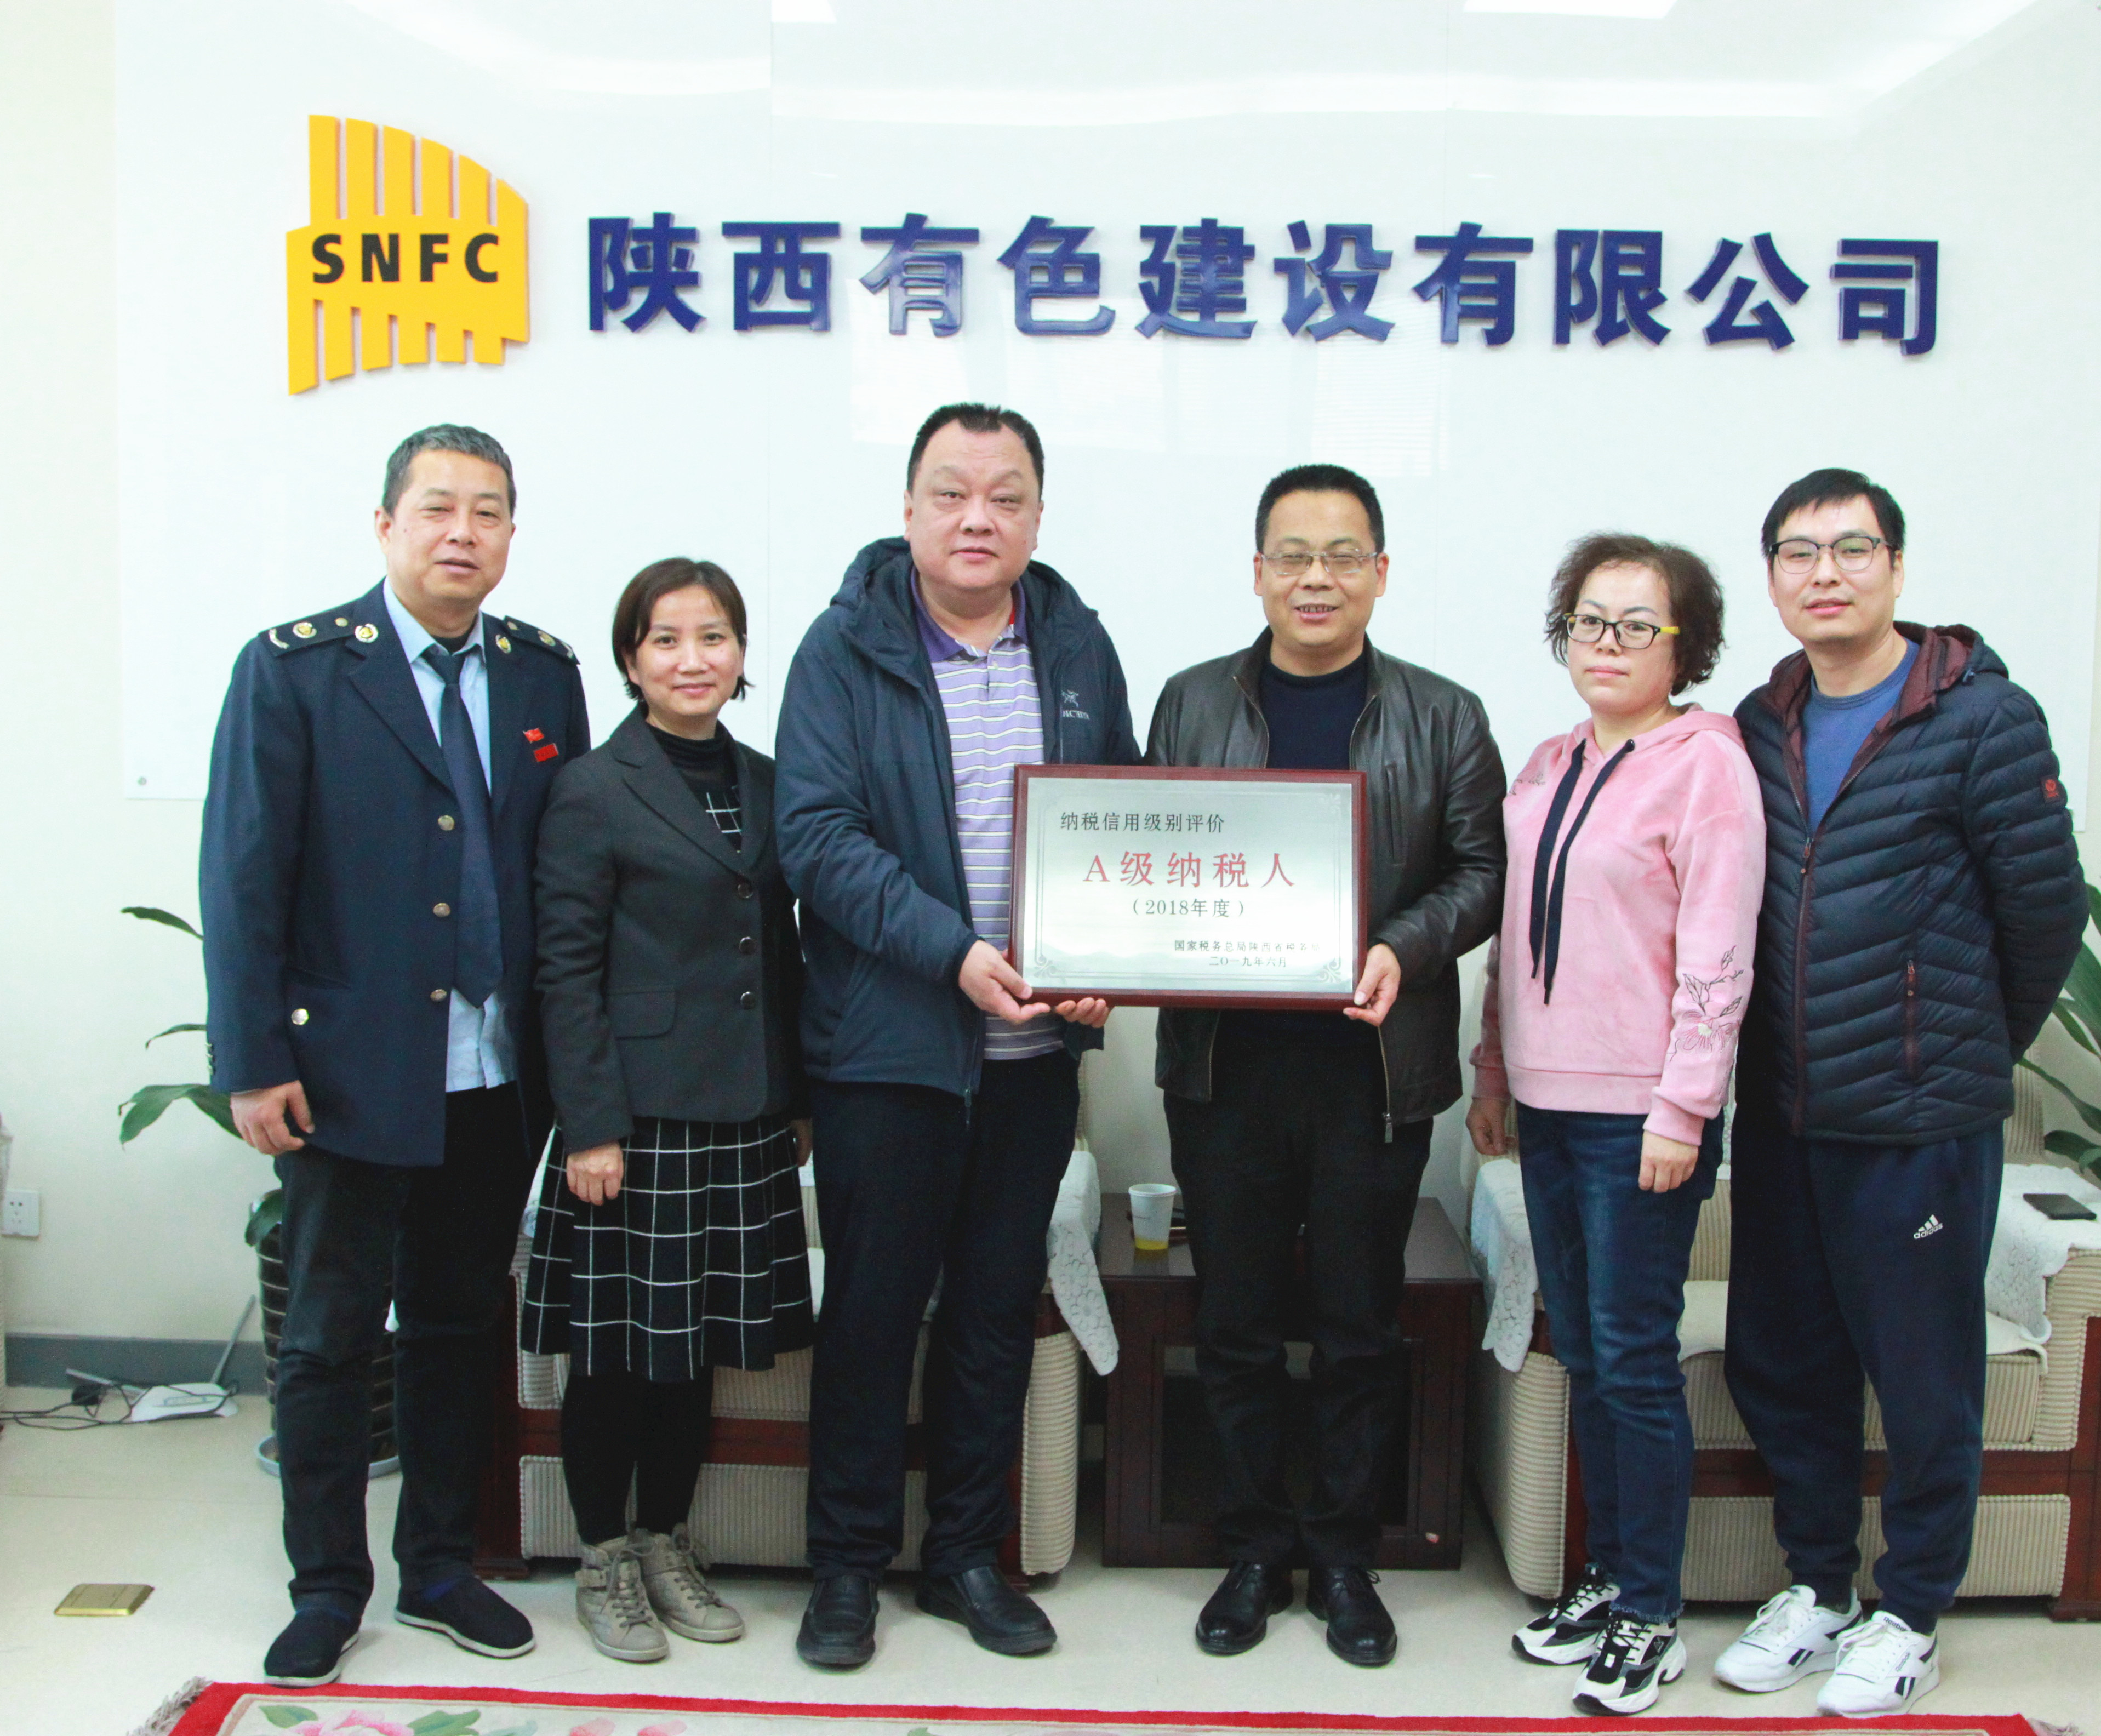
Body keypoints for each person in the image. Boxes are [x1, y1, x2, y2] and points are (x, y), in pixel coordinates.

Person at [202, 425, 588, 1687]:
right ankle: (327, 1586)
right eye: (436, 508)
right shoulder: (299, 671)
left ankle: (437, 1567)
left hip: (494, 1070)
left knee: (456, 1324)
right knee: (326, 1338)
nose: (462, 533)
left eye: (488, 511)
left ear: (512, 534)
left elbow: (563, 873)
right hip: (347, 1071)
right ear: (386, 526)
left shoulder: (542, 678)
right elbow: (244, 877)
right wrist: (252, 1060)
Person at [1714, 468, 2086, 1717]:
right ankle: (1818, 1588)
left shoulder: (1982, 718)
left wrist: (1959, 1051)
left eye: (1852, 548)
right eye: (1798, 552)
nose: (1824, 573)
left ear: (1897, 566)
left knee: (1924, 1382)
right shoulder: (1760, 721)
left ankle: (1912, 1610)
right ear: (1773, 577)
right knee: (1785, 1362)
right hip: (1784, 1113)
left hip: (1921, 1123)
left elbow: (2046, 915)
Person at [774, 403, 1137, 1669]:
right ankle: (846, 1568)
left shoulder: (1079, 645)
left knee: (992, 1315)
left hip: (1033, 1064)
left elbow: (1119, 817)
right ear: (910, 509)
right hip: (890, 1053)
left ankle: (966, 1558)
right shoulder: (842, 650)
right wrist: (954, 955)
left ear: (1037, 514)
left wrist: (1106, 962)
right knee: (874, 1316)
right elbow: (817, 839)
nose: (978, 517)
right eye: (951, 492)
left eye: (1005, 495)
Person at [1147, 463, 1506, 1668]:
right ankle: (1254, 1549)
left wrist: (1403, 945)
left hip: (1374, 1070)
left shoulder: (1444, 714)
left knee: (1359, 1325)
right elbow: (1149, 857)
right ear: (1258, 572)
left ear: (1381, 573)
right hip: (1225, 1067)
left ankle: (1345, 1556)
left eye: (1343, 554)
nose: (1317, 577)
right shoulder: (1191, 703)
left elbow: (1484, 873)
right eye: (1293, 554)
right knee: (1236, 1322)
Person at [1466, 534, 1764, 1715]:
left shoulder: (1709, 767)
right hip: (1546, 1107)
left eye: (1639, 625)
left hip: (1642, 1120)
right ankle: (1606, 1576)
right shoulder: (1548, 762)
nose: (1608, 644)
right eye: (1590, 621)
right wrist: (1494, 1068)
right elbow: (1512, 936)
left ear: (1685, 646)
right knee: (1586, 1354)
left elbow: (1719, 956)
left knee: (1636, 1362)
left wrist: (1684, 1106)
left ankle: (1653, 1611)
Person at [524, 557, 814, 1663]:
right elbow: (565, 970)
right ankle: (603, 1560)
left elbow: (781, 955)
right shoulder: (594, 788)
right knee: (613, 1356)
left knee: (697, 1352)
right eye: (666, 639)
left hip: (744, 1113)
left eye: (713, 638)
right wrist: (589, 1124)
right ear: (631, 658)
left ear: (740, 654)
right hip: (634, 1121)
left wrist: (796, 1096)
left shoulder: (772, 779)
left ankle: (667, 1546)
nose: (693, 659)